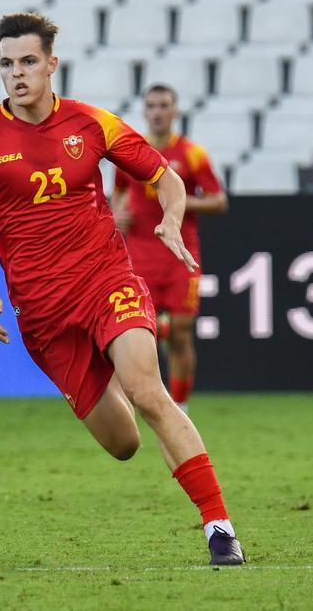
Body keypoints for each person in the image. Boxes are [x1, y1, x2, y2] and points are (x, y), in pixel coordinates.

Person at [0, 12, 244, 565]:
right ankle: (99, 378)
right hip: (43, 316)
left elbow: (166, 178)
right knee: (124, 445)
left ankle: (219, 529)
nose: (17, 74)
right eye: (7, 64)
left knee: (149, 389)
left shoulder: (91, 124)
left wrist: (172, 217)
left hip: (106, 281)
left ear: (52, 64)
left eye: (28, 61)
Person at [112, 85, 227, 412]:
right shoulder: (130, 153)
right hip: (138, 255)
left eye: (164, 105)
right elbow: (118, 192)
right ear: (145, 111)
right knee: (134, 331)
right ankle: (134, 405)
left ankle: (182, 406)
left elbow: (218, 200)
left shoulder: (192, 154)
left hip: (180, 255)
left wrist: (175, 199)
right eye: (151, 106)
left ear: (175, 111)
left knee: (180, 331)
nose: (158, 112)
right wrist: (117, 214)